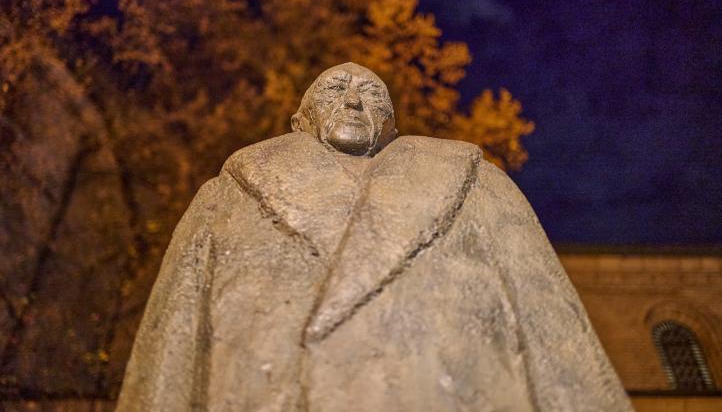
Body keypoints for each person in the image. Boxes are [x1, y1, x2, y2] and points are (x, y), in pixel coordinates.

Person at [115, 62, 633, 412]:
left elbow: (552, 325)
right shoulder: (229, 191)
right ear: (303, 116)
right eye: (335, 90)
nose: (355, 101)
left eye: (372, 94)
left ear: (389, 122)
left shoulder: (473, 179)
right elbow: (172, 341)